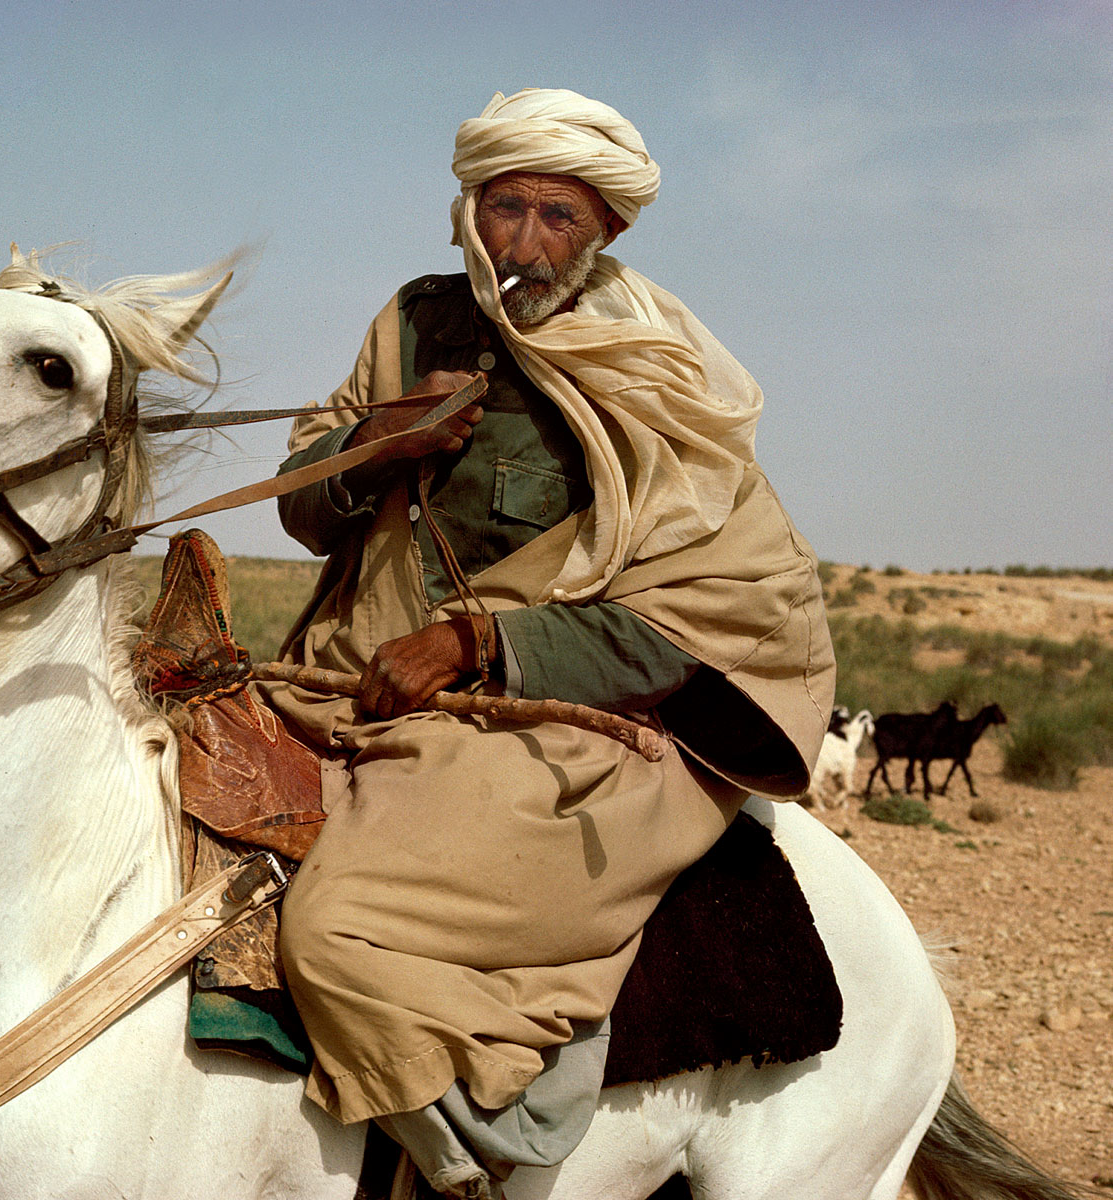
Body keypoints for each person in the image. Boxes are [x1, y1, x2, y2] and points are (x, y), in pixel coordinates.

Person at [258, 88, 835, 1199]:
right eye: (500, 207)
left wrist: (477, 642)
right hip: (341, 676)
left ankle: (494, 1159)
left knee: (334, 930)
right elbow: (303, 504)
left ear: (608, 228)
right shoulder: (415, 320)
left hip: (556, 723)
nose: (520, 243)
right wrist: (368, 448)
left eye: (554, 216)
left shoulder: (659, 370)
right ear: (463, 209)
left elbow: (712, 611)